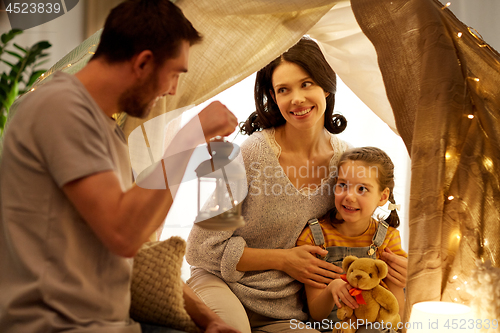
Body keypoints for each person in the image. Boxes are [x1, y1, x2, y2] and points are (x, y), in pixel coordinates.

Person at [0, 1, 240, 333]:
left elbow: (138, 240)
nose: (172, 90)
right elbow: (122, 234)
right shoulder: (59, 108)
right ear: (143, 62)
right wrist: (187, 139)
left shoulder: (107, 130)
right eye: (174, 74)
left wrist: (209, 319)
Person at [186, 37, 350, 333]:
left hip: (284, 312)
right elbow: (199, 249)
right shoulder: (252, 153)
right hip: (221, 283)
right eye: (283, 90)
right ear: (274, 98)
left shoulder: (346, 164)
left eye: (306, 84)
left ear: (327, 87)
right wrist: (285, 260)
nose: (296, 99)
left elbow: (355, 233)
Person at [296, 146, 407, 332]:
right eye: (342, 185)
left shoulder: (388, 238)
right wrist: (332, 289)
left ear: (383, 196)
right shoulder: (314, 236)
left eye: (362, 188)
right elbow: (316, 314)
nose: (349, 196)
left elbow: (397, 313)